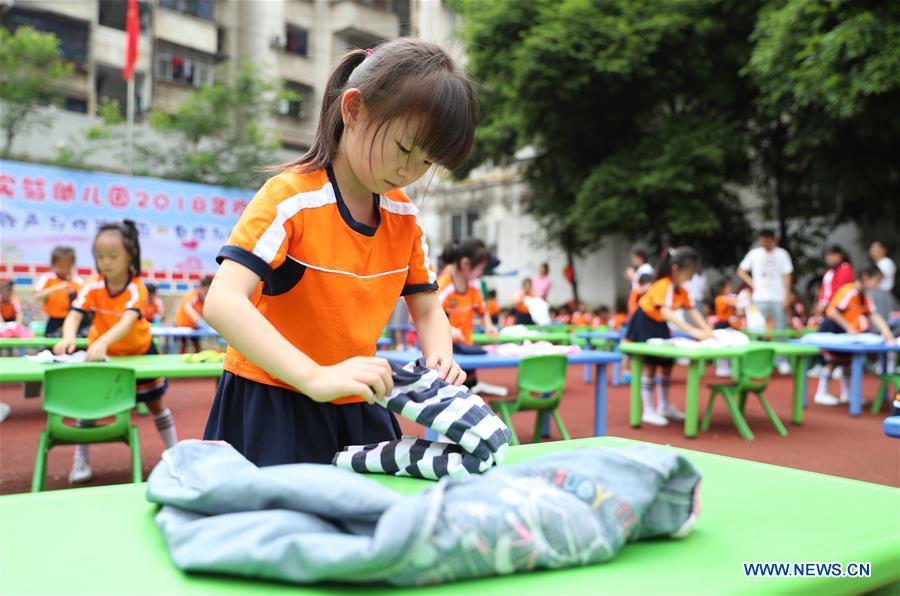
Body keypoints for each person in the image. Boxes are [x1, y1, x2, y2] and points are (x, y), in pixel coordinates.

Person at [200, 39, 475, 466]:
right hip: (273, 401)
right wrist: (314, 376)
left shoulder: (403, 214)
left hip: (357, 395)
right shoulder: (290, 197)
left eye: (426, 162)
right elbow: (221, 301)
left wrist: (441, 356)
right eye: (404, 149)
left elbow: (426, 306)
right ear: (353, 109)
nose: (409, 171)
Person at [53, 220, 177, 483]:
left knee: (156, 405)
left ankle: (176, 455)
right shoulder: (92, 285)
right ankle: (81, 461)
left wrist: (102, 342)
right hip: (102, 356)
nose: (105, 262)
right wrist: (68, 337)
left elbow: (128, 320)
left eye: (113, 256)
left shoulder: (137, 287)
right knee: (88, 406)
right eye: (100, 256)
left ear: (130, 255)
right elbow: (74, 315)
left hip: (139, 352)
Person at [625, 247, 713, 426]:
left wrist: (707, 330)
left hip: (660, 324)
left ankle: (663, 405)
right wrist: (692, 331)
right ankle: (648, 410)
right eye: (689, 272)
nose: (691, 277)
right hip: (645, 322)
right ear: (676, 269)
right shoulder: (662, 285)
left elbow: (691, 309)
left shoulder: (680, 290)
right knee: (650, 366)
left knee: (666, 364)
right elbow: (665, 311)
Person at [813, 267, 896, 406]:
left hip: (848, 335)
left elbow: (873, 314)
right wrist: (849, 327)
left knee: (847, 363)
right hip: (834, 330)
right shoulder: (849, 291)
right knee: (833, 362)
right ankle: (821, 393)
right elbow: (832, 311)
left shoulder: (864, 296)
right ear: (865, 276)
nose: (876, 285)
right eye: (875, 281)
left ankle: (847, 394)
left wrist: (886, 332)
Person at [438, 238, 501, 393]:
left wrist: (488, 325)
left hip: (467, 349)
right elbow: (420, 317)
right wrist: (449, 330)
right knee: (449, 397)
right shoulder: (445, 285)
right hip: (446, 355)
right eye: (480, 269)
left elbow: (482, 309)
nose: (481, 273)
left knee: (470, 393)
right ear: (466, 264)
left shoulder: (474, 286)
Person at [737, 229, 794, 374]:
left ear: (774, 239)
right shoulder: (754, 254)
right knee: (757, 329)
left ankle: (781, 361)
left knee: (780, 330)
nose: (766, 242)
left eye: (769, 239)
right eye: (763, 239)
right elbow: (741, 270)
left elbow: (787, 275)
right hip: (759, 297)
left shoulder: (782, 254)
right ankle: (756, 361)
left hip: (777, 297)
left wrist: (786, 294)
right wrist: (752, 283)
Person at [33, 246, 85, 337]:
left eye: (68, 266)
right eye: (61, 266)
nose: (64, 269)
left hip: (72, 320)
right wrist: (57, 287)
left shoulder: (78, 282)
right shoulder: (48, 277)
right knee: (49, 346)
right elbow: (37, 296)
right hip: (53, 320)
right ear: (54, 264)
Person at [173, 276, 213, 353]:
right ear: (200, 287)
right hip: (182, 325)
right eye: (205, 291)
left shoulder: (203, 299)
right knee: (182, 346)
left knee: (197, 346)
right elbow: (188, 308)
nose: (206, 293)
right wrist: (199, 321)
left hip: (194, 326)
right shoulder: (192, 296)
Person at [712, 279, 740, 377]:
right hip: (721, 325)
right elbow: (730, 302)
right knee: (722, 347)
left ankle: (728, 366)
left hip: (728, 325)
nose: (730, 289)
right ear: (722, 289)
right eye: (728, 287)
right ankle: (721, 367)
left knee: (730, 345)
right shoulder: (720, 299)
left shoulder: (727, 298)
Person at [816, 245, 855, 315]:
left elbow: (839, 290)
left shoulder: (845, 268)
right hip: (825, 307)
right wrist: (821, 302)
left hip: (837, 307)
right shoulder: (829, 272)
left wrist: (825, 304)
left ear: (840, 255)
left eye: (832, 255)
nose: (828, 258)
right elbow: (823, 290)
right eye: (826, 256)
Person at [868, 241, 897, 318]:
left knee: (884, 319)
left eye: (876, 250)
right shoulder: (878, 263)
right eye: (872, 250)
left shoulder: (886, 262)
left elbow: (877, 279)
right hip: (877, 294)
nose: (874, 253)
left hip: (883, 294)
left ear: (884, 250)